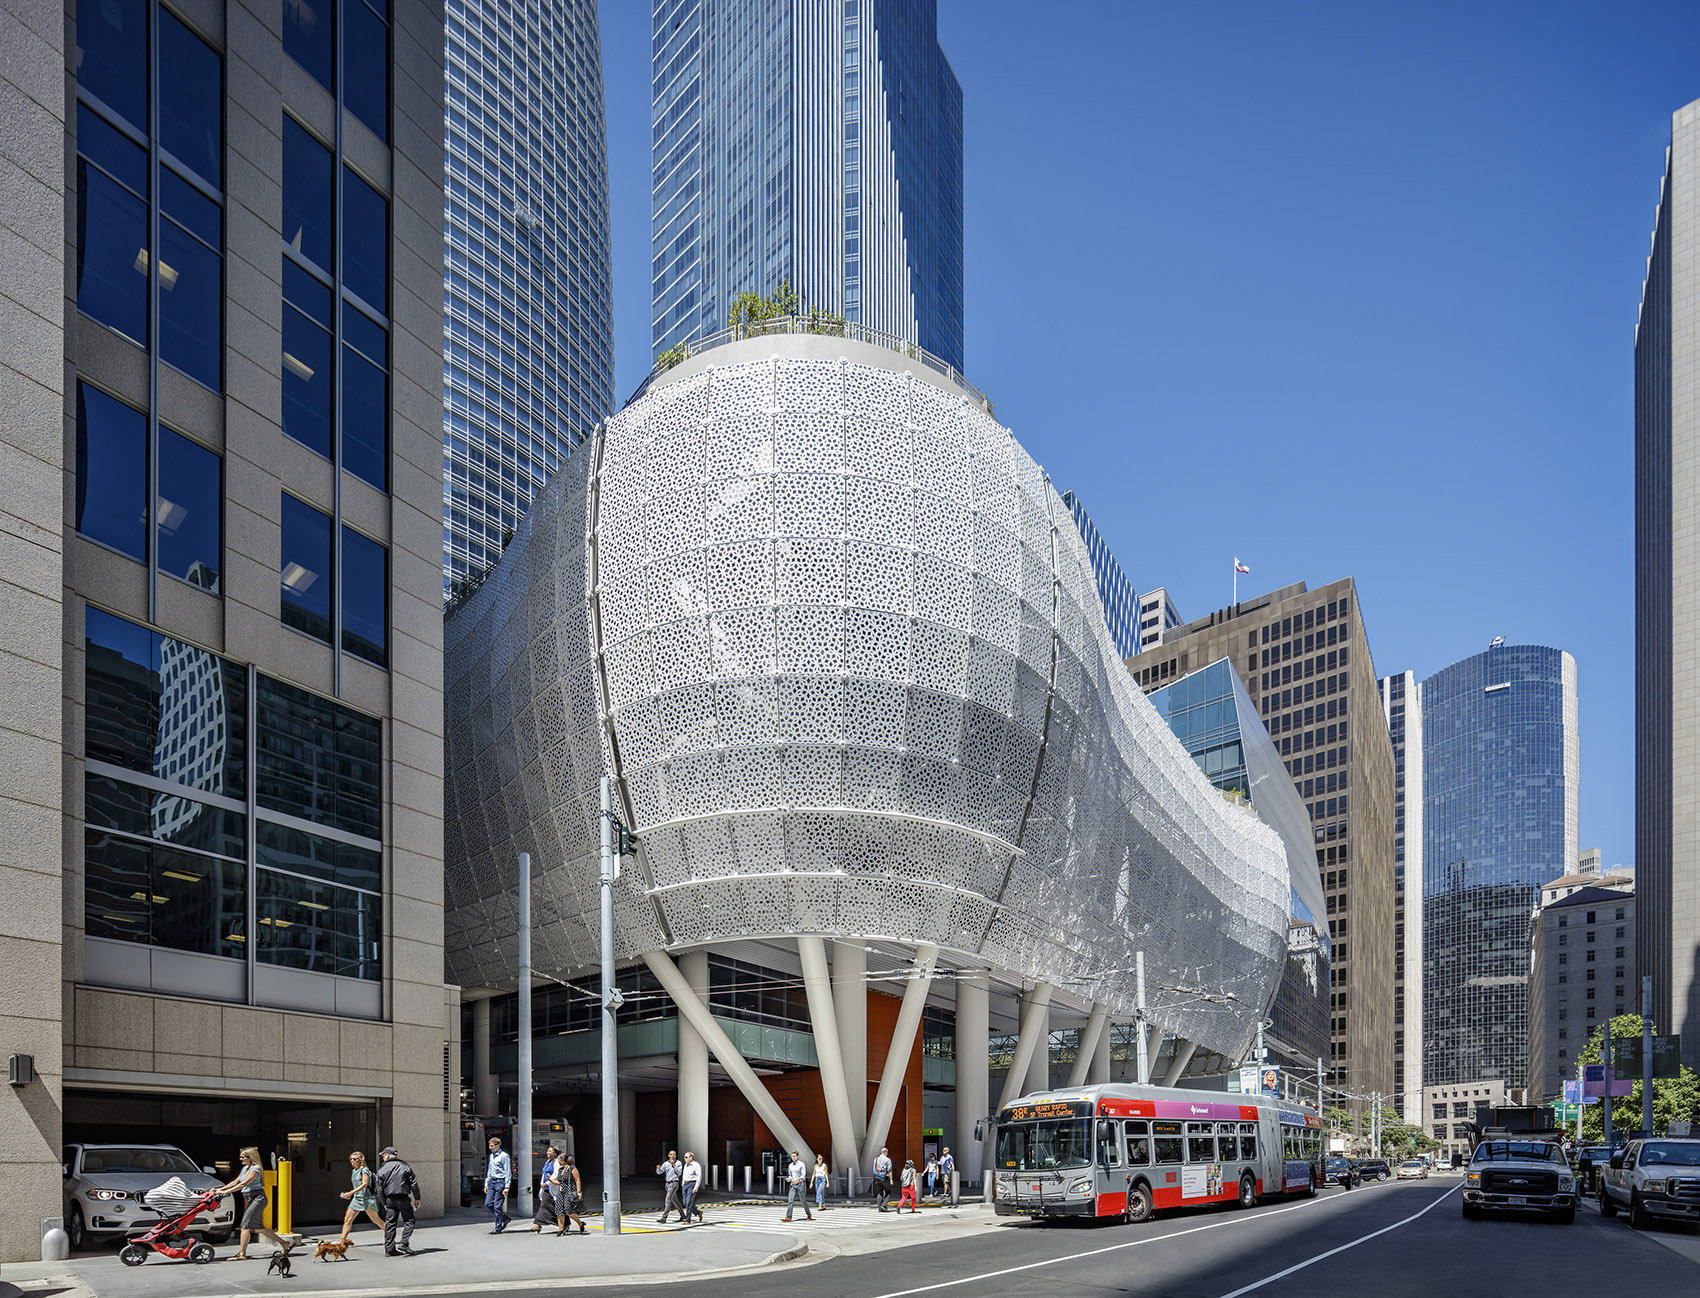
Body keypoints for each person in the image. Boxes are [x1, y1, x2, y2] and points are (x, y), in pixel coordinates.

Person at [215, 1146, 292, 1261]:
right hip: (251, 1199)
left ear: (250, 1157)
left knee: (245, 1226)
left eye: (243, 1157)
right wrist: (220, 1189)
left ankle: (242, 1254)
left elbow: (243, 1184)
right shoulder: (245, 1169)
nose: (240, 1159)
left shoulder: (255, 1169)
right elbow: (235, 1182)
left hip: (257, 1198)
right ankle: (284, 1243)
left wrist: (225, 1192)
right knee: (257, 1228)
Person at [374, 1147, 420, 1257]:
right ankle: (404, 1243)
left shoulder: (382, 1169)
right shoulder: (405, 1166)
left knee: (390, 1224)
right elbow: (413, 1183)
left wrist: (384, 1202)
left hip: (389, 1199)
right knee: (409, 1220)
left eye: (383, 1155)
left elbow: (379, 1188)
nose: (383, 1157)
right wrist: (417, 1197)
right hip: (403, 1198)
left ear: (388, 1155)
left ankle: (389, 1250)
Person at [338, 1150, 385, 1242]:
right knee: (347, 1219)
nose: (352, 1160)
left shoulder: (365, 1170)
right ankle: (342, 1241)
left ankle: (389, 1236)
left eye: (354, 1159)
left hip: (366, 1199)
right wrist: (351, 1194)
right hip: (357, 1199)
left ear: (360, 1160)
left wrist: (350, 1193)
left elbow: (365, 1184)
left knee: (376, 1220)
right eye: (350, 1159)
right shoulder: (354, 1171)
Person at [528, 1145, 560, 1233]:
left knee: (544, 1205)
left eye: (549, 1151)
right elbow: (544, 1173)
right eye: (547, 1151)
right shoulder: (548, 1161)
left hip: (552, 1187)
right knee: (550, 1207)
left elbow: (556, 1174)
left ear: (554, 1153)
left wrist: (547, 1183)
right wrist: (542, 1183)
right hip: (546, 1188)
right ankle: (563, 1223)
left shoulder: (557, 1162)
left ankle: (538, 1224)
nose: (547, 1153)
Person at [485, 1136, 512, 1233]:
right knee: (488, 1203)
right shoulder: (491, 1156)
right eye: (490, 1146)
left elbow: (508, 1172)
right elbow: (489, 1170)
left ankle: (498, 1227)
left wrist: (507, 1186)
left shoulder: (504, 1156)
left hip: (500, 1182)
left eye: (492, 1146)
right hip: (492, 1182)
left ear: (498, 1146)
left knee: (497, 1206)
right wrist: (486, 1183)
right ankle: (504, 1218)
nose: (490, 1148)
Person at [781, 1150, 813, 1222]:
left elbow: (803, 1175)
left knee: (803, 1201)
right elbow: (790, 1175)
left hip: (800, 1185)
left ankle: (809, 1214)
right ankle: (788, 1217)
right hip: (792, 1185)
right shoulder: (790, 1165)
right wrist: (789, 1179)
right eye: (792, 1156)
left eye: (794, 1156)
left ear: (797, 1156)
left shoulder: (801, 1164)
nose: (793, 1157)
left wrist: (798, 1180)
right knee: (790, 1201)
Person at [560, 1155, 588, 1234]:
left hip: (570, 1192)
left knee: (568, 1210)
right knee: (566, 1210)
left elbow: (577, 1180)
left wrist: (579, 1191)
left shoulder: (573, 1168)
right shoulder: (561, 1169)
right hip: (563, 1192)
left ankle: (579, 1223)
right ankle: (580, 1223)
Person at [656, 1150, 684, 1224]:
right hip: (667, 1184)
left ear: (676, 1156)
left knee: (668, 1200)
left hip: (674, 1183)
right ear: (668, 1155)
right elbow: (660, 1172)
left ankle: (664, 1217)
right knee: (675, 1201)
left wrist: (674, 1165)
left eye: (674, 1154)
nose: (672, 1156)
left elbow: (679, 1173)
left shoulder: (678, 1163)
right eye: (671, 1154)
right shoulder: (666, 1164)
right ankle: (683, 1215)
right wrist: (658, 1169)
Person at [680, 1152, 703, 1224]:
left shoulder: (696, 1165)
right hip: (685, 1184)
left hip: (692, 1184)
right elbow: (684, 1175)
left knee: (689, 1202)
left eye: (686, 1157)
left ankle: (688, 1220)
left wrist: (696, 1186)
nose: (685, 1159)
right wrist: (683, 1184)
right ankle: (698, 1213)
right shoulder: (686, 1165)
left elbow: (699, 1176)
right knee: (685, 1202)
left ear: (691, 1158)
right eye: (684, 1157)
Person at [873, 1146, 893, 1212]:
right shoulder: (887, 1160)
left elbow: (874, 1169)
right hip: (885, 1178)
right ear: (885, 1152)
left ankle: (879, 1208)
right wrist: (891, 1179)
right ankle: (884, 1205)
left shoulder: (876, 1159)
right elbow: (889, 1170)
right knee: (888, 1191)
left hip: (877, 1177)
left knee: (880, 1192)